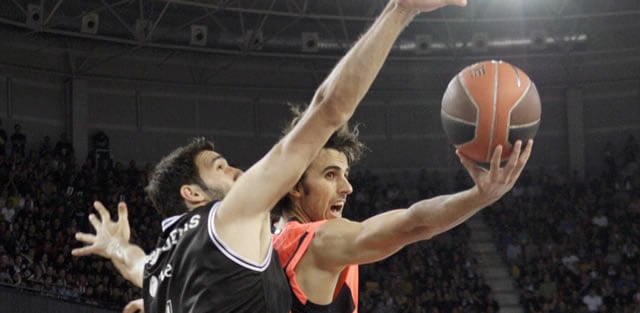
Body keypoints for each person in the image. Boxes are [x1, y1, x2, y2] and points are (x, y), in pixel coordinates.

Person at [71, 0, 458, 312]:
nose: (237, 170)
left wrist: (113, 246)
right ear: (193, 192)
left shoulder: (161, 266)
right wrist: (400, 10)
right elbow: (326, 109)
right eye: (220, 167)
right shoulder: (229, 218)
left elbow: (134, 262)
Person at [270, 107, 532, 312]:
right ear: (294, 185)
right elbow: (414, 223)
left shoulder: (268, 243)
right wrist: (479, 196)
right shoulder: (318, 241)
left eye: (346, 174)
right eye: (330, 175)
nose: (347, 187)